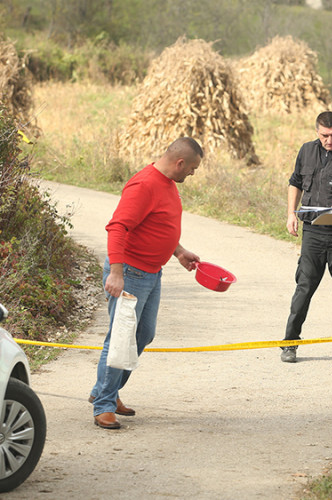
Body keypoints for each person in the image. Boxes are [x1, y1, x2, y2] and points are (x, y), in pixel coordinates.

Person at [89, 137, 204, 429]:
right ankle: (104, 404)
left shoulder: (169, 185)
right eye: (191, 168)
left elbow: (158, 225)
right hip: (130, 273)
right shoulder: (144, 185)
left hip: (152, 273)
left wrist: (178, 251)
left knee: (143, 336)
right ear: (180, 163)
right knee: (120, 338)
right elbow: (118, 227)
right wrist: (116, 273)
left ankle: (108, 390)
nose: (191, 174)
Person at [282, 111, 332, 364]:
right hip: (313, 232)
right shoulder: (306, 151)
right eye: (324, 135)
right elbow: (295, 182)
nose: (329, 140)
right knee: (303, 288)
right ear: (317, 132)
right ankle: (290, 343)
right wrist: (291, 214)